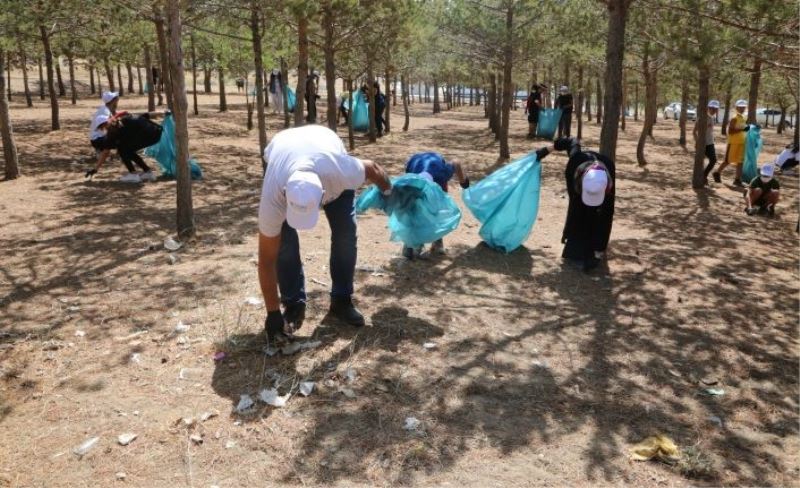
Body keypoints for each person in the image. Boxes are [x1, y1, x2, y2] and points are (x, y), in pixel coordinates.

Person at [258, 125, 392, 342]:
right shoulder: (274, 193)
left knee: (345, 234)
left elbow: (373, 168)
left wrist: (389, 192)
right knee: (284, 244)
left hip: (325, 145)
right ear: (285, 194)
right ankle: (293, 304)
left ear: (322, 193)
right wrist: (272, 314)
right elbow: (266, 260)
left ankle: (342, 299)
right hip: (284, 148)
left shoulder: (341, 171)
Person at [538, 137, 615, 271]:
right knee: (577, 208)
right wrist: (546, 150)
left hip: (598, 184)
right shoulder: (576, 161)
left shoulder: (608, 174)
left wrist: (598, 253)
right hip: (578, 185)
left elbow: (607, 216)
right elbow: (570, 142)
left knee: (601, 213)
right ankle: (573, 241)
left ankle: (592, 247)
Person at [402, 152, 470, 259]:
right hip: (415, 165)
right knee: (413, 209)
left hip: (434, 169)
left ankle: (437, 241)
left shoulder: (442, 174)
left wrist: (464, 181)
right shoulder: (411, 182)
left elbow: (456, 163)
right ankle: (411, 244)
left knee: (438, 209)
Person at [86, 113, 163, 183]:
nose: (102, 129)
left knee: (122, 149)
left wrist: (95, 169)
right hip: (157, 131)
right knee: (127, 148)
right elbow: (143, 117)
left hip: (150, 135)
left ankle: (133, 175)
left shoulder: (112, 132)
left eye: (100, 127)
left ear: (102, 125)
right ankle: (147, 172)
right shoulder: (122, 119)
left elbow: (105, 152)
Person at [713, 99, 749, 186]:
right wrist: (742, 129)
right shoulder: (734, 118)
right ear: (736, 107)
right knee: (728, 160)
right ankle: (717, 172)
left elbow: (743, 129)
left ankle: (737, 180)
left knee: (740, 162)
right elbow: (730, 131)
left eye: (743, 107)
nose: (742, 109)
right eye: (740, 107)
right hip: (733, 143)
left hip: (742, 143)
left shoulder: (743, 117)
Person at [693, 100, 720, 185]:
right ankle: (701, 178)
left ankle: (704, 175)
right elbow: (694, 132)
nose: (713, 110)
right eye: (712, 108)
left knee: (713, 160)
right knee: (702, 161)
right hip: (702, 144)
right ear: (708, 108)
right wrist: (697, 142)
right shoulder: (702, 118)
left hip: (710, 143)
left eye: (715, 109)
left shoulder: (712, 118)